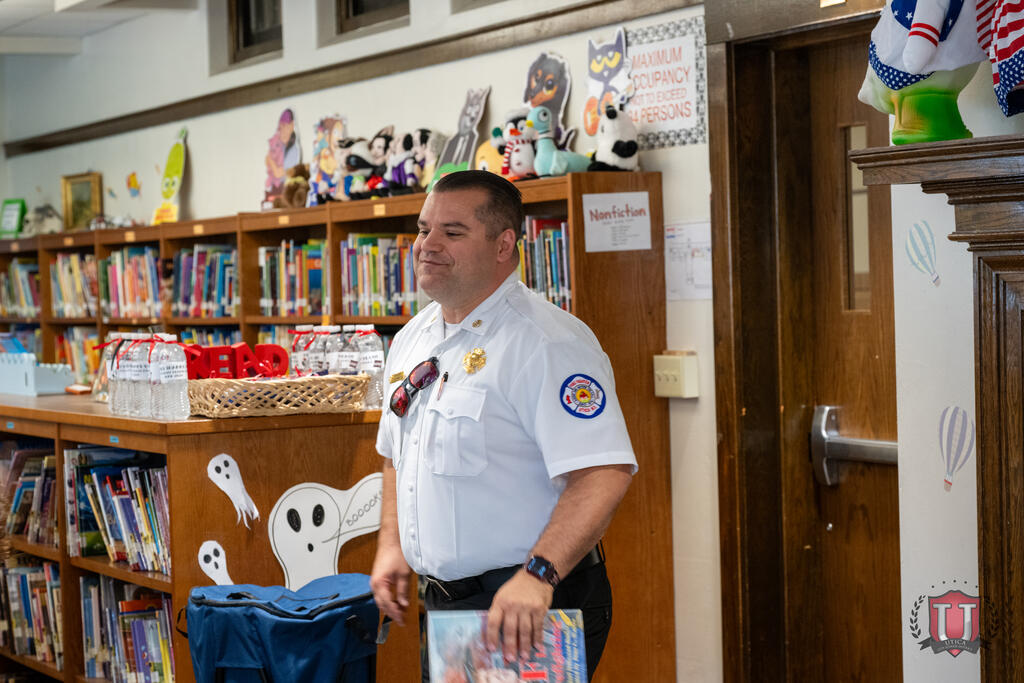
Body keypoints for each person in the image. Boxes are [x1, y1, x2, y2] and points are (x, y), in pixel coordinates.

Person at [370, 170, 636, 682]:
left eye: (452, 232)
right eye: (424, 229)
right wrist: (392, 545)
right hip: (447, 607)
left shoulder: (546, 342)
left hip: (529, 601)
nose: (427, 245)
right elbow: (394, 456)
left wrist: (538, 574)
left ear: (503, 244)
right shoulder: (412, 339)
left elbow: (603, 473)